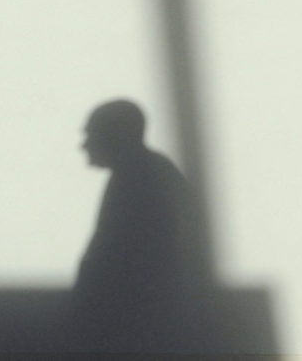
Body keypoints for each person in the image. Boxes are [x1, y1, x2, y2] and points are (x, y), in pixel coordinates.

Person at [71, 99, 208, 352]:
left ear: (114, 134)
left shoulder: (137, 178)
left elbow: (110, 256)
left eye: (90, 134)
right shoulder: (145, 172)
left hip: (141, 327)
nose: (84, 145)